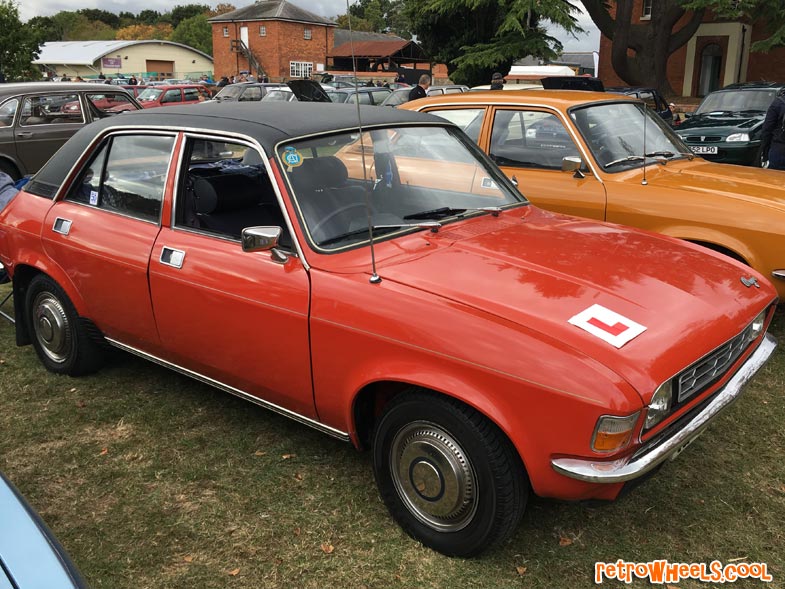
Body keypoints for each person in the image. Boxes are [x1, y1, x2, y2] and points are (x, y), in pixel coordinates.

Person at [761, 87, 785, 171]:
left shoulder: (778, 103)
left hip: (779, 149)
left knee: (775, 180)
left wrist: (765, 152)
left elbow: (767, 130)